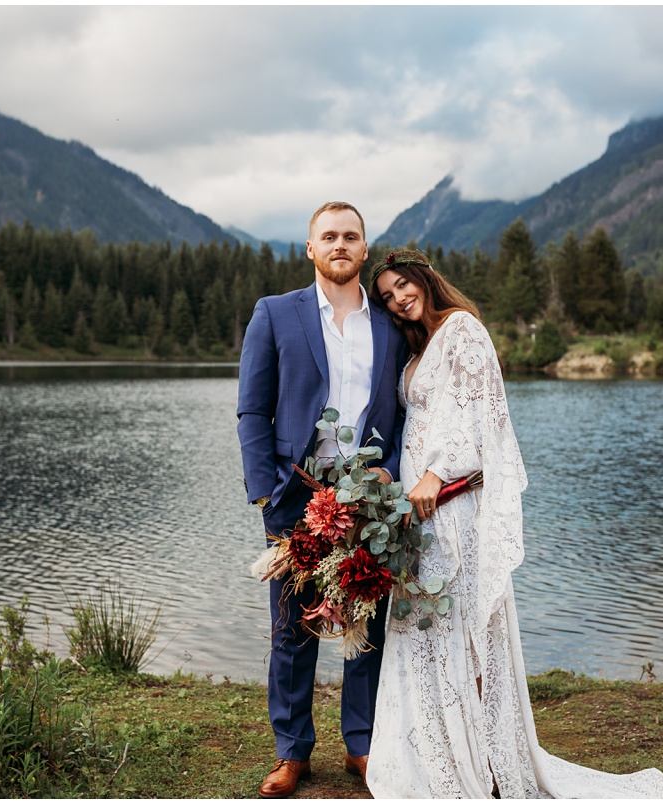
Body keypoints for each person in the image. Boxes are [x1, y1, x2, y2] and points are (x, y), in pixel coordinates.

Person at [364, 249, 663, 799]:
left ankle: (485, 759)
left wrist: (434, 474)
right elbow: (424, 418)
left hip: (449, 504)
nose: (398, 299)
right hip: (414, 509)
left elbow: (476, 415)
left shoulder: (462, 329)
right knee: (427, 622)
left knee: (462, 621)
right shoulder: (418, 346)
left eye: (403, 286)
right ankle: (436, 750)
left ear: (425, 280)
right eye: (387, 296)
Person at [237, 202, 408, 798]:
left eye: (351, 236)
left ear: (364, 249)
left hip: (369, 500)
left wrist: (391, 475)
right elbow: (253, 410)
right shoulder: (276, 314)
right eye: (328, 236)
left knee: (365, 624)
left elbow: (404, 413)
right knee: (291, 630)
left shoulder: (390, 326)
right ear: (310, 249)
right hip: (293, 497)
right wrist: (263, 492)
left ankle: (361, 745)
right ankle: (293, 752)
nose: (340, 244)